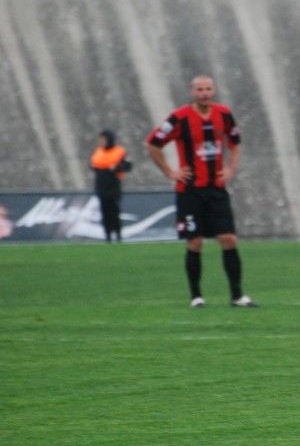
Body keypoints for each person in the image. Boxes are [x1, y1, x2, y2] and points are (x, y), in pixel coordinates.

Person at [145, 74, 258, 309]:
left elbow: (235, 141)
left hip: (216, 189)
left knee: (229, 239)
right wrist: (169, 171)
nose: (204, 93)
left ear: (213, 91)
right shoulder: (179, 118)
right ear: (193, 92)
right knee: (195, 242)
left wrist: (231, 168)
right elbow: (153, 143)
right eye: (200, 90)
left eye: (208, 89)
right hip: (189, 191)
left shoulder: (224, 114)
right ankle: (196, 296)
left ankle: (237, 296)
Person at [90, 130, 132, 242]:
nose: (102, 142)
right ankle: (107, 235)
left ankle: (118, 234)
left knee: (114, 211)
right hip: (101, 186)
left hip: (113, 186)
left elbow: (128, 165)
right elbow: (92, 165)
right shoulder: (98, 151)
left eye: (104, 140)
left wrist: (116, 167)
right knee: (104, 212)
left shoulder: (120, 151)